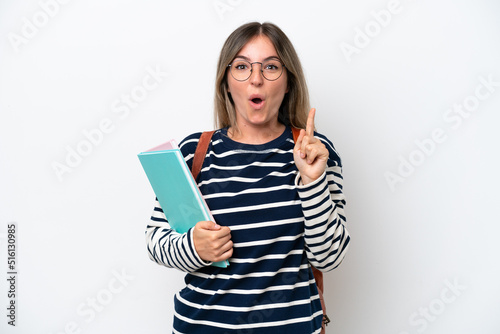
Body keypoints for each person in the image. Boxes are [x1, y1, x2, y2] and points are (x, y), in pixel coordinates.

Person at [145, 21, 350, 333]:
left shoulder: (314, 152)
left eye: (270, 67)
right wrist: (194, 248)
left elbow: (329, 256)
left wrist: (312, 182)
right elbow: (155, 241)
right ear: (226, 82)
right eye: (242, 66)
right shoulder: (192, 152)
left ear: (288, 82)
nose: (256, 79)